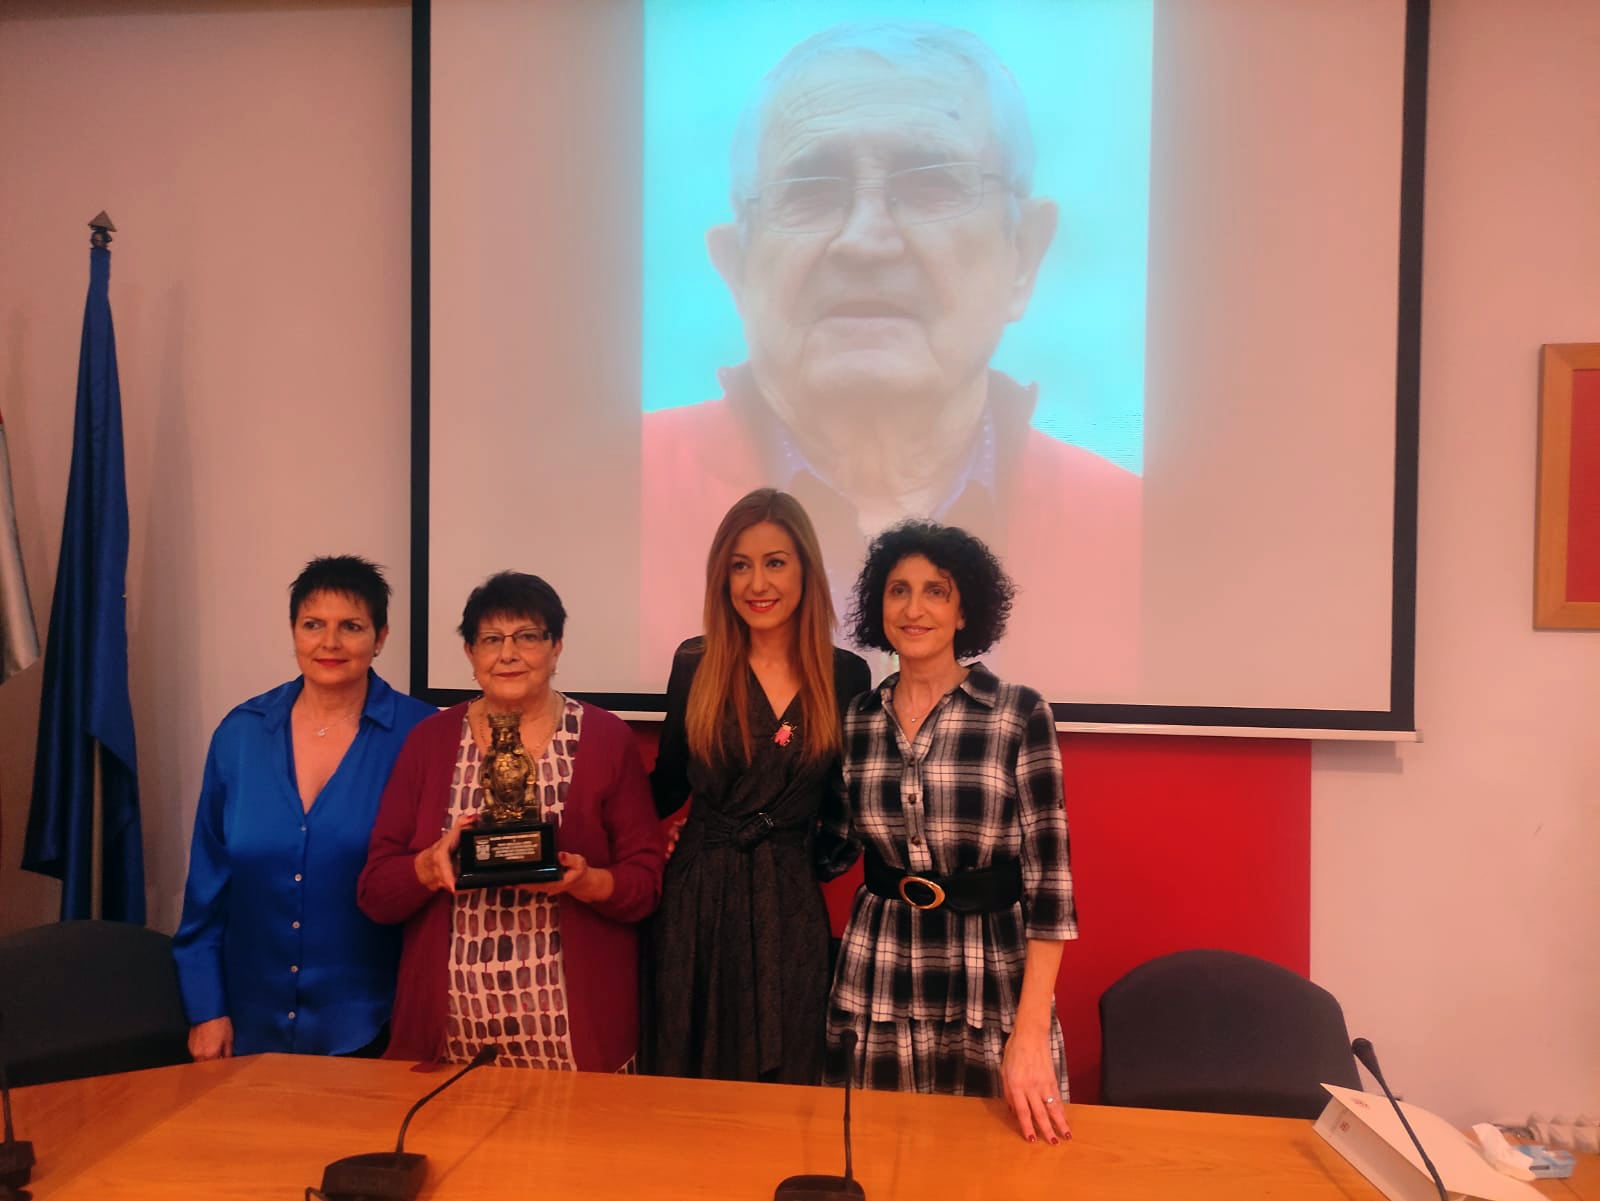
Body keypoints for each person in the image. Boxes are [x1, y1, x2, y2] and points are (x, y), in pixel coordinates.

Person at [642, 20, 1139, 696]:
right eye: (812, 190)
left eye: (930, 184)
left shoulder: (1136, 532)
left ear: (1024, 256)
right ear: (737, 267)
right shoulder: (612, 482)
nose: (866, 240)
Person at [822, 521, 1077, 1145]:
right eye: (898, 591)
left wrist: (1030, 1033)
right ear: (877, 606)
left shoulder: (1019, 713)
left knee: (1001, 1164)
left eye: (935, 591)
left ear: (965, 610)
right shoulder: (854, 721)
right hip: (879, 963)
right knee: (877, 1154)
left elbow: (1051, 887)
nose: (914, 609)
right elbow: (829, 849)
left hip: (990, 969)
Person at [358, 571, 664, 1071]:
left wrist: (587, 882)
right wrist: (429, 866)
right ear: (470, 654)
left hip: (573, 1038)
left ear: (557, 645)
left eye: (528, 636)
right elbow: (374, 891)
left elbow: (645, 884)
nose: (509, 654)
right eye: (491, 640)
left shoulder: (607, 738)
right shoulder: (428, 742)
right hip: (451, 1038)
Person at [645, 489, 870, 1084]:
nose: (756, 583)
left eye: (775, 562)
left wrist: (806, 858)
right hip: (696, 900)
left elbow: (848, 808)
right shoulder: (695, 663)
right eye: (739, 565)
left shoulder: (845, 673)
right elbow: (665, 787)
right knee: (686, 1077)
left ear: (805, 570)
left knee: (791, 1079)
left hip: (789, 903)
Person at [172, 555, 436, 1059]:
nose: (330, 643)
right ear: (294, 631)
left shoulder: (423, 736)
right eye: (313, 625)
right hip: (247, 1029)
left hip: (378, 1030)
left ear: (380, 637)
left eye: (351, 627)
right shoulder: (241, 734)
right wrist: (206, 1009)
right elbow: (206, 890)